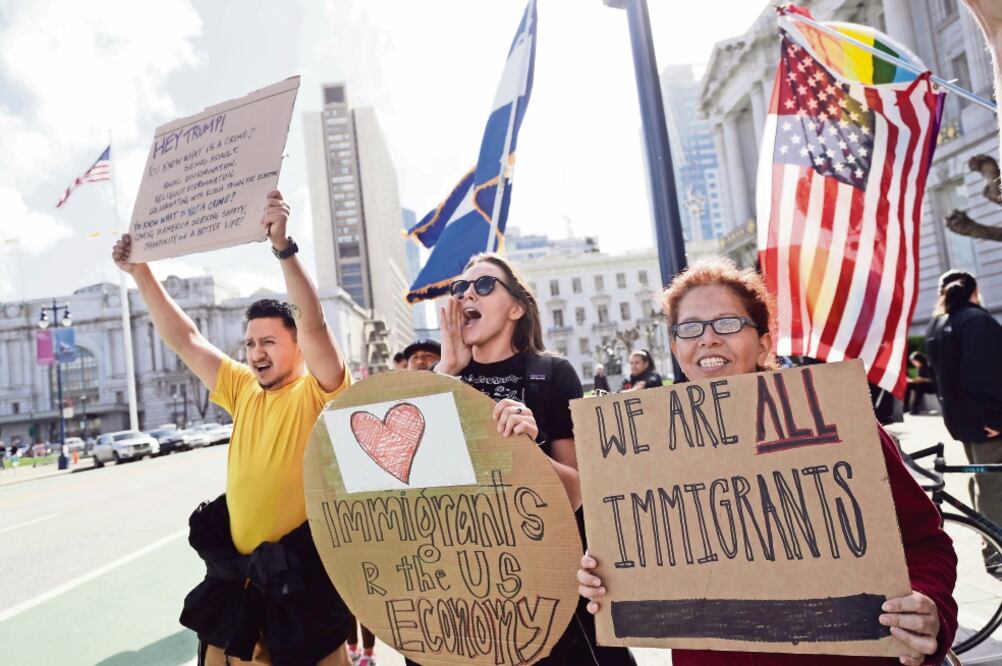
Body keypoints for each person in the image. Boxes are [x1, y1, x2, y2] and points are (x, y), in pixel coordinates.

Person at [577, 257, 958, 666]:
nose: (707, 339)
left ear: (762, 342)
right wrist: (607, 580)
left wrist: (928, 606)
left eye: (727, 323)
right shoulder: (646, 458)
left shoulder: (838, 423)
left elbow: (927, 543)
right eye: (689, 328)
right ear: (675, 347)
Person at [113, 191, 353, 666]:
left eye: (268, 341)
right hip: (239, 582)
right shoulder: (242, 389)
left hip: (300, 586)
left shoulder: (320, 392)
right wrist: (140, 272)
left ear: (299, 348)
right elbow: (186, 339)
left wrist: (282, 248)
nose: (256, 351)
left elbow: (316, 325)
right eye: (249, 343)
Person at [435, 253, 635, 666]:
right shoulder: (444, 381)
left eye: (485, 285)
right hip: (477, 591)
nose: (467, 292)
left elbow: (581, 492)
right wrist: (444, 371)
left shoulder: (553, 373)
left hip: (550, 591)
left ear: (517, 307)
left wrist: (529, 448)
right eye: (460, 288)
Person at [926, 269, 1002, 534]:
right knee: (992, 484)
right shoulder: (976, 321)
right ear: (974, 291)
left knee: (981, 480)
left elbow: (939, 377)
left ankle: (989, 545)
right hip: (987, 422)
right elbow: (985, 374)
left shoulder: (938, 325)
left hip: (964, 420)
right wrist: (995, 419)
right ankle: (995, 552)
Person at [904, 351, 936, 416]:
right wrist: (912, 381)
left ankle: (915, 408)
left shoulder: (929, 366)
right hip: (923, 385)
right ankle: (905, 407)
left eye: (914, 362)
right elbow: (919, 379)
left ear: (919, 360)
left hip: (933, 387)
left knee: (920, 385)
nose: (913, 364)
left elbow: (935, 379)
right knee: (908, 385)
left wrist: (922, 379)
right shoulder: (920, 368)